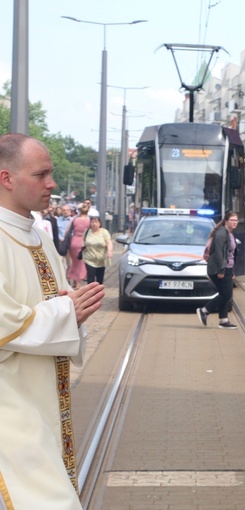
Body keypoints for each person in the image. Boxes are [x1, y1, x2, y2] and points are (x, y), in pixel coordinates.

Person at [0, 133, 105, 509]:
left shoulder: (43, 241)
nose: (52, 184)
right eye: (41, 174)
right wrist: (66, 313)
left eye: (52, 173)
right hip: (10, 414)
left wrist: (72, 314)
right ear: (6, 178)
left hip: (46, 404)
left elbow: (58, 308)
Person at [196, 212, 239, 330]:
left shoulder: (228, 233)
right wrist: (222, 270)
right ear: (226, 220)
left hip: (227, 268)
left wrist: (232, 271)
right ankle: (204, 311)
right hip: (220, 268)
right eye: (232, 220)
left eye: (236, 220)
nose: (234, 222)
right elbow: (219, 253)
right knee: (226, 294)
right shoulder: (221, 233)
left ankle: (223, 320)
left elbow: (231, 254)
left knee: (224, 294)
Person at [81, 216, 113, 284]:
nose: (94, 224)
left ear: (100, 223)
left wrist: (109, 251)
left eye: (96, 222)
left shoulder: (104, 232)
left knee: (99, 279)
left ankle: (98, 292)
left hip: (101, 259)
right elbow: (83, 240)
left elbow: (109, 242)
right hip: (89, 258)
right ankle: (90, 293)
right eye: (92, 222)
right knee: (90, 278)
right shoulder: (87, 231)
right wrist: (83, 246)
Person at [67, 203, 91, 290]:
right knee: (81, 263)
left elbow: (68, 230)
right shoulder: (89, 221)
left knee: (75, 262)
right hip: (83, 242)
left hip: (74, 241)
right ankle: (78, 282)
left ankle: (72, 278)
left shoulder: (75, 220)